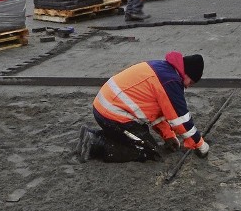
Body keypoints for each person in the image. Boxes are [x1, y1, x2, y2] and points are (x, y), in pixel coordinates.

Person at [76, 51, 209, 163]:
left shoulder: (163, 69)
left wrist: (168, 135)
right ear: (187, 74)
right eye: (190, 82)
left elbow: (157, 111)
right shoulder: (171, 82)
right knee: (148, 152)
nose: (188, 86)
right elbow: (181, 120)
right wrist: (200, 145)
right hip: (113, 114)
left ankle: (96, 136)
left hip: (107, 108)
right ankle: (94, 143)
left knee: (140, 135)